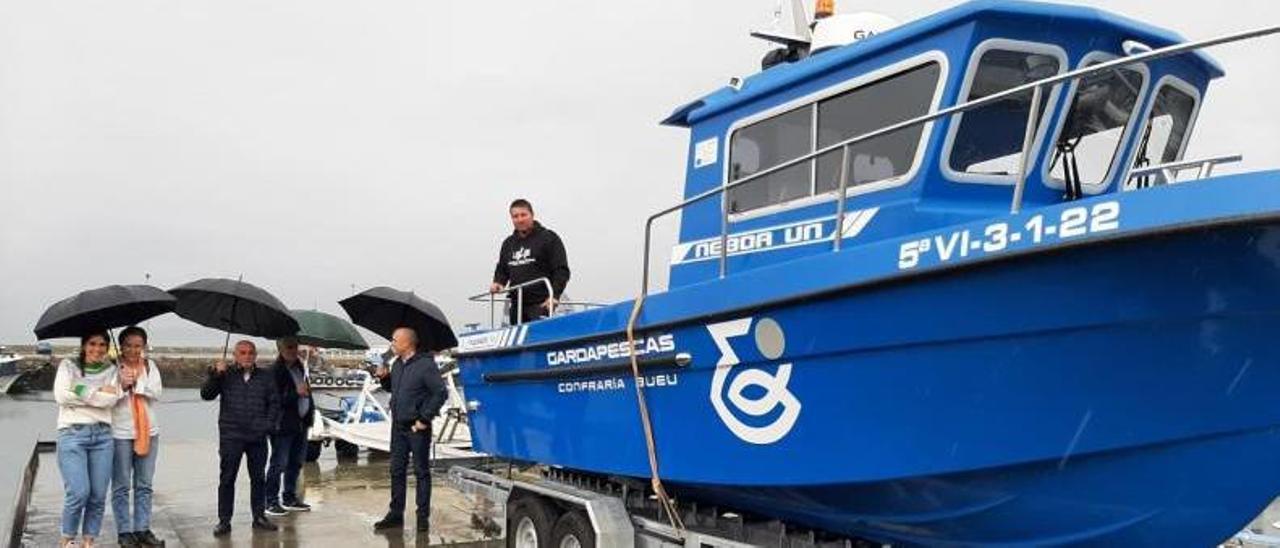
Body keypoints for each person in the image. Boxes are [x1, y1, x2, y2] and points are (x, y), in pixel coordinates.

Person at [200, 340, 280, 537]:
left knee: (258, 479)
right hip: (231, 436)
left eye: (251, 353)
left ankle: (259, 517)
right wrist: (215, 375)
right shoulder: (225, 375)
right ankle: (224, 521)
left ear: (256, 355)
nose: (247, 356)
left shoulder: (265, 376)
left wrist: (267, 426)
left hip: (257, 437)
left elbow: (274, 403)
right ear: (235, 355)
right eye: (242, 353)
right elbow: (206, 394)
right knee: (227, 479)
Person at [372, 327, 447, 534]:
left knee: (421, 472)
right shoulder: (396, 364)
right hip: (398, 427)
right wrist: (384, 378)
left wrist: (424, 418)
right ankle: (396, 514)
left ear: (408, 343)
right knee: (396, 471)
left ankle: (422, 517)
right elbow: (394, 389)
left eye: (395, 340)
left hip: (417, 428)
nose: (392, 344)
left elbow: (440, 393)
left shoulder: (425, 365)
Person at [54, 331, 121, 548]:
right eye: (92, 343)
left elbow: (110, 401)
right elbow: (61, 396)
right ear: (84, 345)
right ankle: (67, 540)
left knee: (98, 495)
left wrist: (79, 390)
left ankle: (88, 541)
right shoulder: (67, 366)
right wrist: (97, 391)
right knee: (79, 492)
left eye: (102, 344)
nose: (97, 349)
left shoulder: (112, 369)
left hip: (103, 436)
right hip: (73, 434)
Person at [110, 327, 165, 547]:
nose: (134, 350)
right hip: (120, 433)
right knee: (121, 485)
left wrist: (138, 384)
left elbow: (157, 392)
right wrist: (121, 385)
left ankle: (142, 528)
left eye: (138, 345)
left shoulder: (150, 367)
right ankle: (124, 532)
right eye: (129, 345)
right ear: (121, 346)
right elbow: (107, 399)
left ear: (143, 346)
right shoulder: (111, 369)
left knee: (144, 484)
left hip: (148, 432)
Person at [489, 198, 571, 325]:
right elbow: (502, 269)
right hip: (517, 305)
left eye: (523, 215)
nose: (520, 219)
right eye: (515, 216)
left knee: (542, 337)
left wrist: (554, 296)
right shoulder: (508, 243)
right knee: (517, 341)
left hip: (542, 303)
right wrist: (498, 282)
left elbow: (561, 270)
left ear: (532, 215)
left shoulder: (549, 238)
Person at [264, 337, 315, 517]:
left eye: (295, 346)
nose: (293, 350)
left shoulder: (299, 367)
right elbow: (273, 400)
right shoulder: (274, 371)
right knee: (279, 464)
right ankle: (270, 501)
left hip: (300, 424)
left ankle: (289, 498)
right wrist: (296, 393)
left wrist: (310, 416)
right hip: (282, 425)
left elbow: (307, 394)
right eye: (289, 347)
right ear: (280, 348)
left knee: (296, 462)